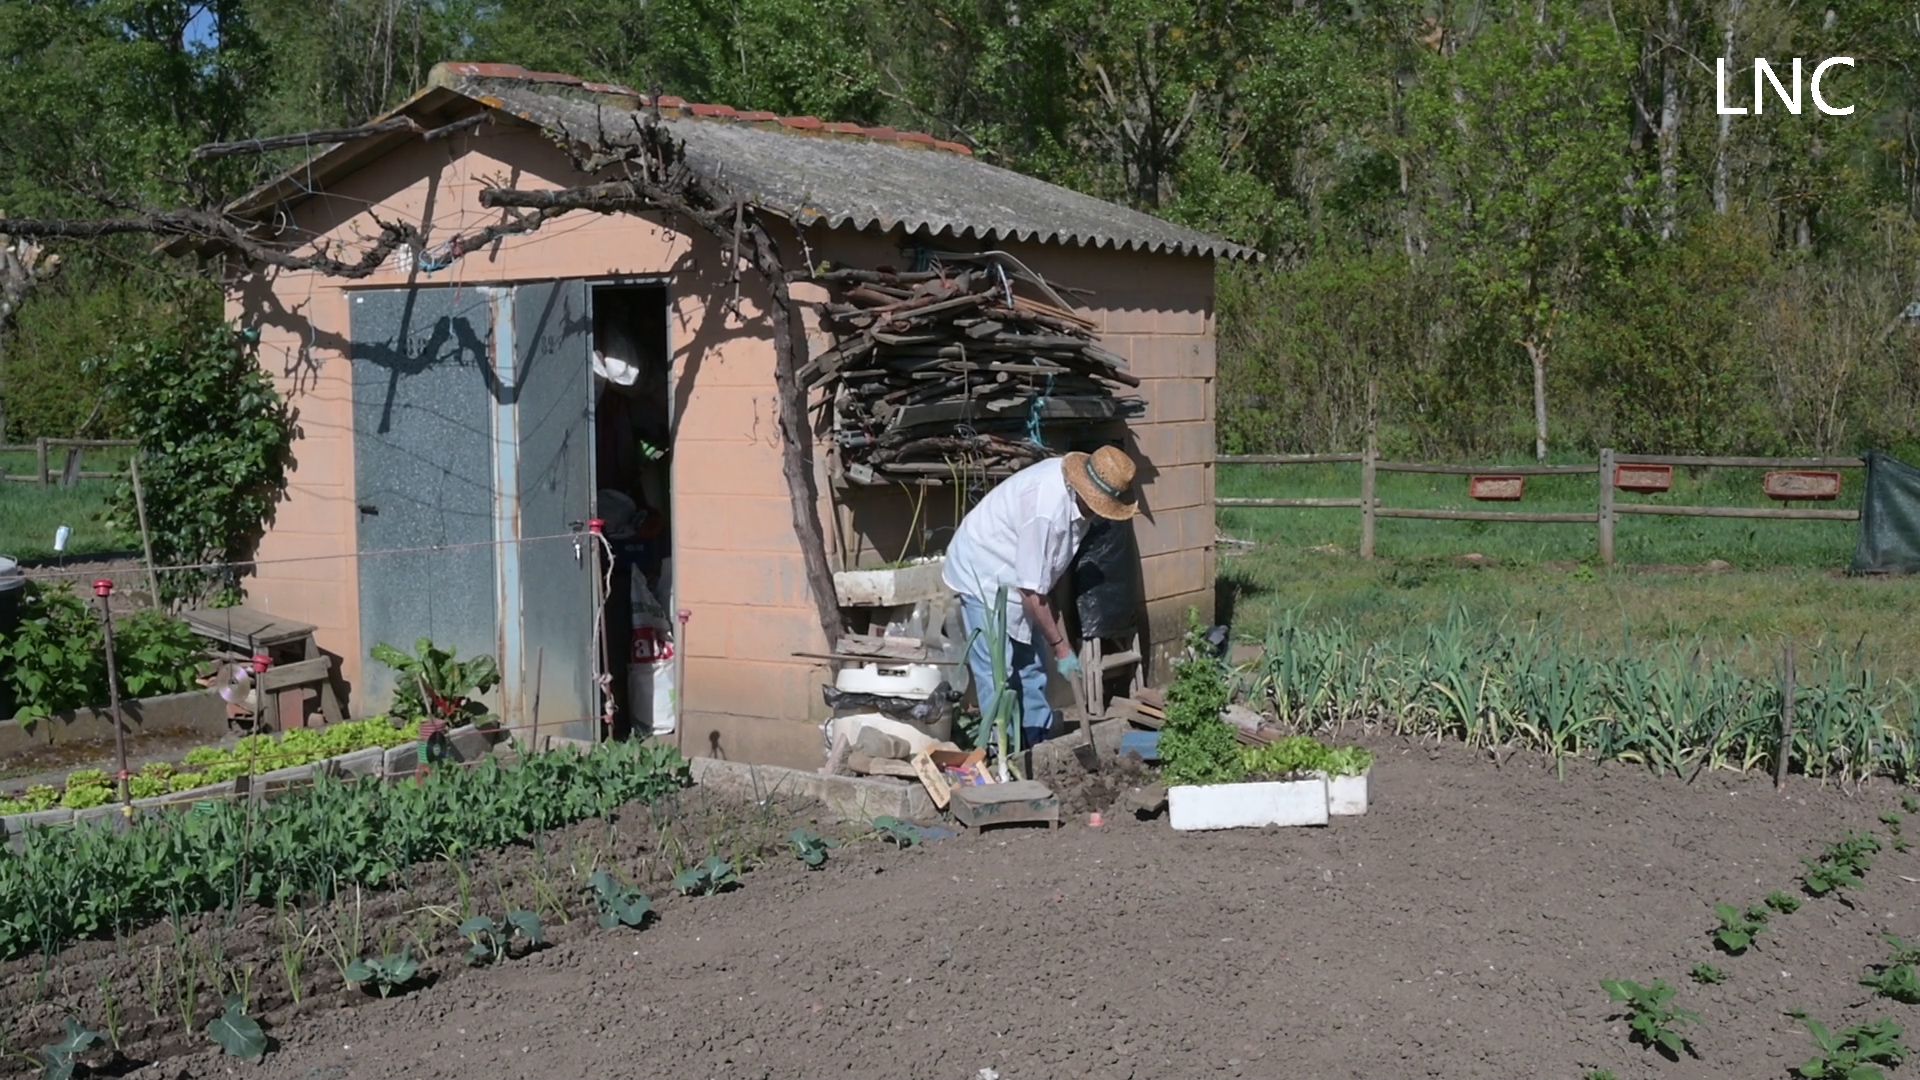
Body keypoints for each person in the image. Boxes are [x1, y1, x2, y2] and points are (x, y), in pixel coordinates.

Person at [942, 445, 1139, 750]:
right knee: (997, 672)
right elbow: (1032, 591)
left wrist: (1058, 632)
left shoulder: (1080, 507)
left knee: (1031, 664)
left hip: (1020, 575)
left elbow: (1046, 576)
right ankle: (999, 750)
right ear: (1088, 493)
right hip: (983, 572)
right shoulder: (1046, 509)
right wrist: (1060, 647)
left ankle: (1038, 743)